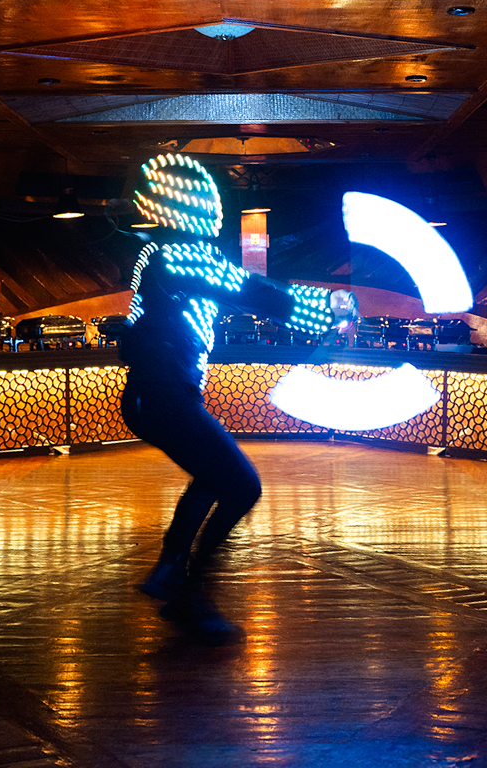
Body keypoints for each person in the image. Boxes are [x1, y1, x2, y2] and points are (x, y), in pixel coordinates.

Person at [119, 153, 355, 643]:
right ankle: (190, 590)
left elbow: (220, 299)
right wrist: (323, 309)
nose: (214, 212)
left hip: (157, 394)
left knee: (212, 478)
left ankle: (172, 573)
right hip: (163, 395)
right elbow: (250, 290)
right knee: (243, 486)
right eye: (208, 203)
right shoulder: (178, 254)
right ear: (190, 208)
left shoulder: (159, 255)